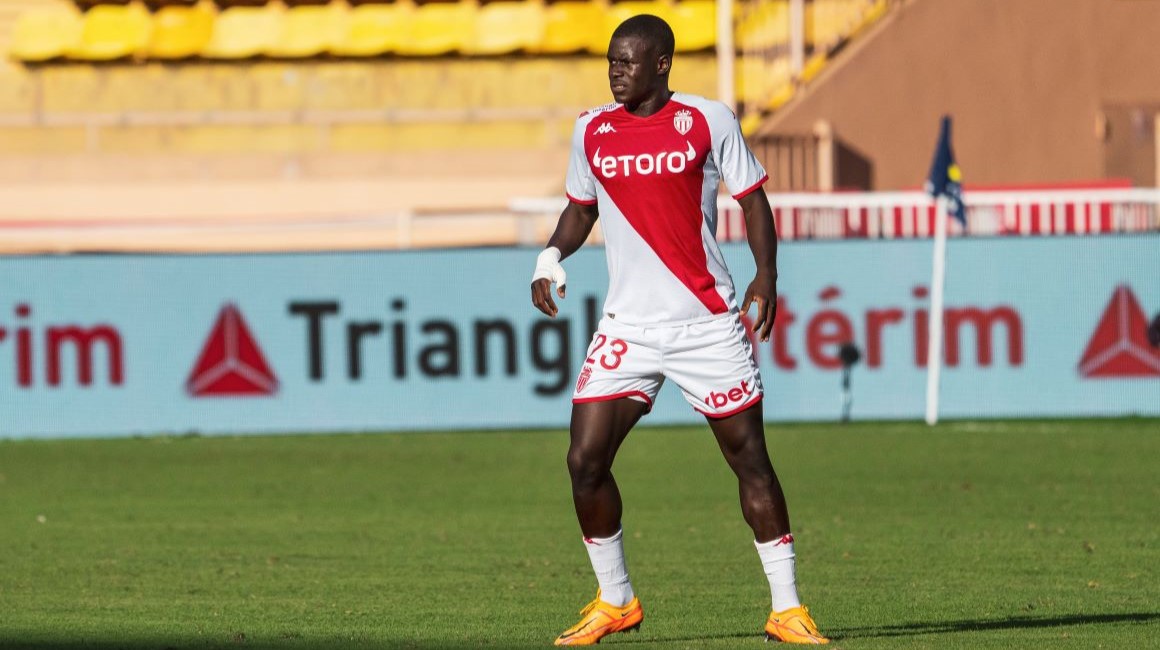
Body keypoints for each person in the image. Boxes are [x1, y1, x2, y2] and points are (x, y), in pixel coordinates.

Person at [529, 14, 829, 647]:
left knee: (751, 462)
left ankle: (788, 609)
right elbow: (581, 208)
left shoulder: (707, 120)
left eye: (627, 61)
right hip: (628, 326)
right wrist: (550, 257)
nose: (615, 71)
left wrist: (765, 277)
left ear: (661, 63)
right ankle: (616, 600)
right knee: (584, 460)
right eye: (610, 61)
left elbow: (752, 199)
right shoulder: (591, 131)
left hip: (706, 324)